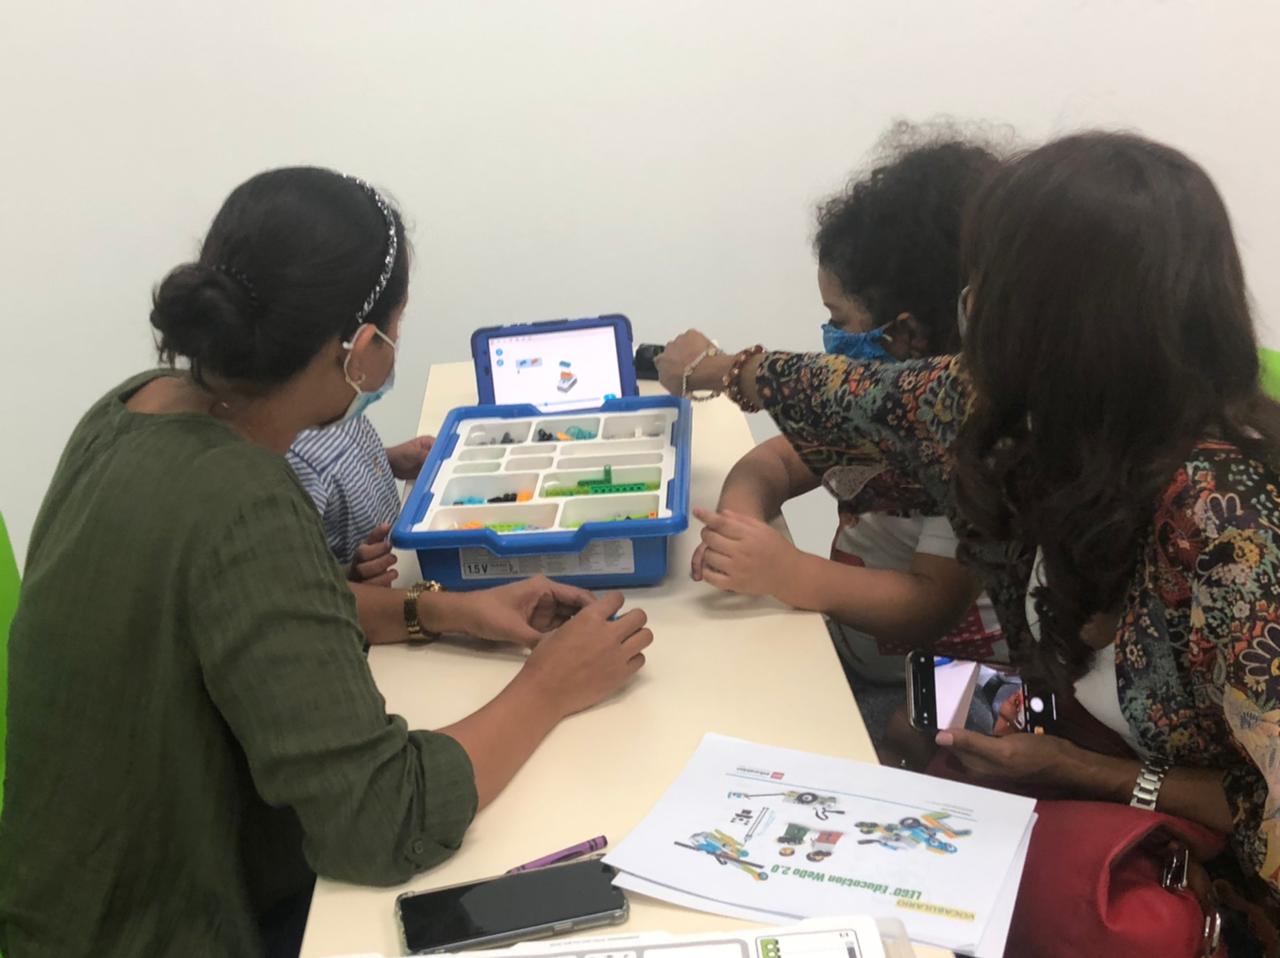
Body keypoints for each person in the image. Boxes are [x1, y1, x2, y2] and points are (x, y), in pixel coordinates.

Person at [0, 168, 653, 958]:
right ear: (366, 354)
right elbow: (380, 822)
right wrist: (550, 686)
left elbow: (255, 610)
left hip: (57, 906)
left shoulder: (133, 407)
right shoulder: (244, 496)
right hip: (162, 928)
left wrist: (436, 610)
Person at [657, 132, 1280, 923]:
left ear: (1052, 317)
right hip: (1073, 730)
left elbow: (1263, 808)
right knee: (895, 732)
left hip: (1206, 864)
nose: (970, 307)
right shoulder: (1021, 412)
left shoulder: (1228, 530)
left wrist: (1081, 770)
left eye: (986, 282)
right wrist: (725, 370)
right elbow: (854, 392)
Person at [690, 132, 1004, 746]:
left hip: (949, 684)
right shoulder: (868, 411)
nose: (829, 335)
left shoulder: (972, 444)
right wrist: (739, 525)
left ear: (907, 334)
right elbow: (773, 464)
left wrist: (787, 571)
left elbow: (929, 604)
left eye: (838, 318)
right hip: (860, 658)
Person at [287, 414, 434, 586]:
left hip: (403, 551)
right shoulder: (292, 462)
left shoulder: (336, 407)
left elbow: (335, 468)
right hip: (369, 588)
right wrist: (349, 576)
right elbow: (293, 582)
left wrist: (385, 460)